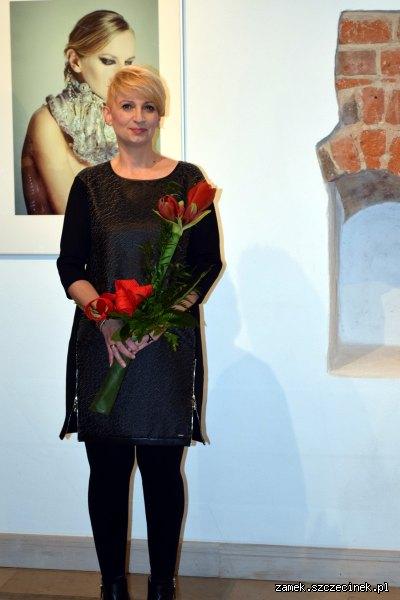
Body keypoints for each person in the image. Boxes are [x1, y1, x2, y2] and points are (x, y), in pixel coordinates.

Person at [56, 66, 222, 600]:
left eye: (149, 106)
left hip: (164, 350)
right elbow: (71, 265)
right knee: (106, 473)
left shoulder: (188, 180)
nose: (139, 117)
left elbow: (206, 264)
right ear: (108, 114)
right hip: (102, 343)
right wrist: (104, 317)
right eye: (128, 106)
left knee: (161, 473)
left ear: (160, 115)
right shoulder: (89, 184)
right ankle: (111, 587)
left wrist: (159, 320)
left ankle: (162, 587)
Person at [21, 9, 136, 215]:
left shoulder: (123, 120)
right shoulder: (47, 122)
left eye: (128, 62)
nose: (122, 74)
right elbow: (73, 218)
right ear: (75, 60)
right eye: (108, 60)